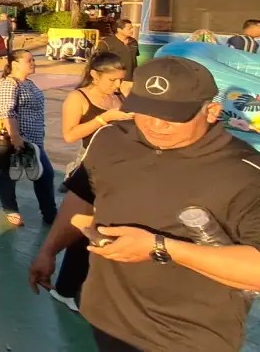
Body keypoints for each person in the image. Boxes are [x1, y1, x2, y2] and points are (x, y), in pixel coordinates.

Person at [28, 57, 260, 352]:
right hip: (106, 320)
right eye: (146, 111)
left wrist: (160, 247)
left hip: (188, 337)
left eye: (174, 116)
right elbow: (84, 197)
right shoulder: (111, 139)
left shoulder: (246, 172)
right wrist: (49, 250)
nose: (155, 125)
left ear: (211, 111)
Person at [46, 52, 133, 311]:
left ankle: (92, 284)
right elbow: (69, 135)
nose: (117, 85)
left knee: (107, 228)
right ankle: (66, 287)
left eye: (120, 80)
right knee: (84, 229)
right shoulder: (78, 98)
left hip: (118, 166)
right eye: (111, 80)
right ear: (94, 75)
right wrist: (103, 119)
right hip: (89, 167)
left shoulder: (118, 96)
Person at [0, 50, 56, 227]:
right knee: (9, 174)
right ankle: (10, 209)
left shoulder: (28, 83)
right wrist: (15, 137)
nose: (33, 63)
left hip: (34, 142)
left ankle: (50, 214)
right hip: (18, 140)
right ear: (15, 64)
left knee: (44, 175)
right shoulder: (8, 84)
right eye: (29, 60)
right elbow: (6, 111)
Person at [95, 19, 138, 94]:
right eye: (129, 28)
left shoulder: (133, 42)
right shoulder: (106, 42)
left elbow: (134, 59)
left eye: (132, 28)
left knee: (127, 102)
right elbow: (99, 61)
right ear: (119, 30)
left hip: (130, 79)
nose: (132, 30)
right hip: (114, 79)